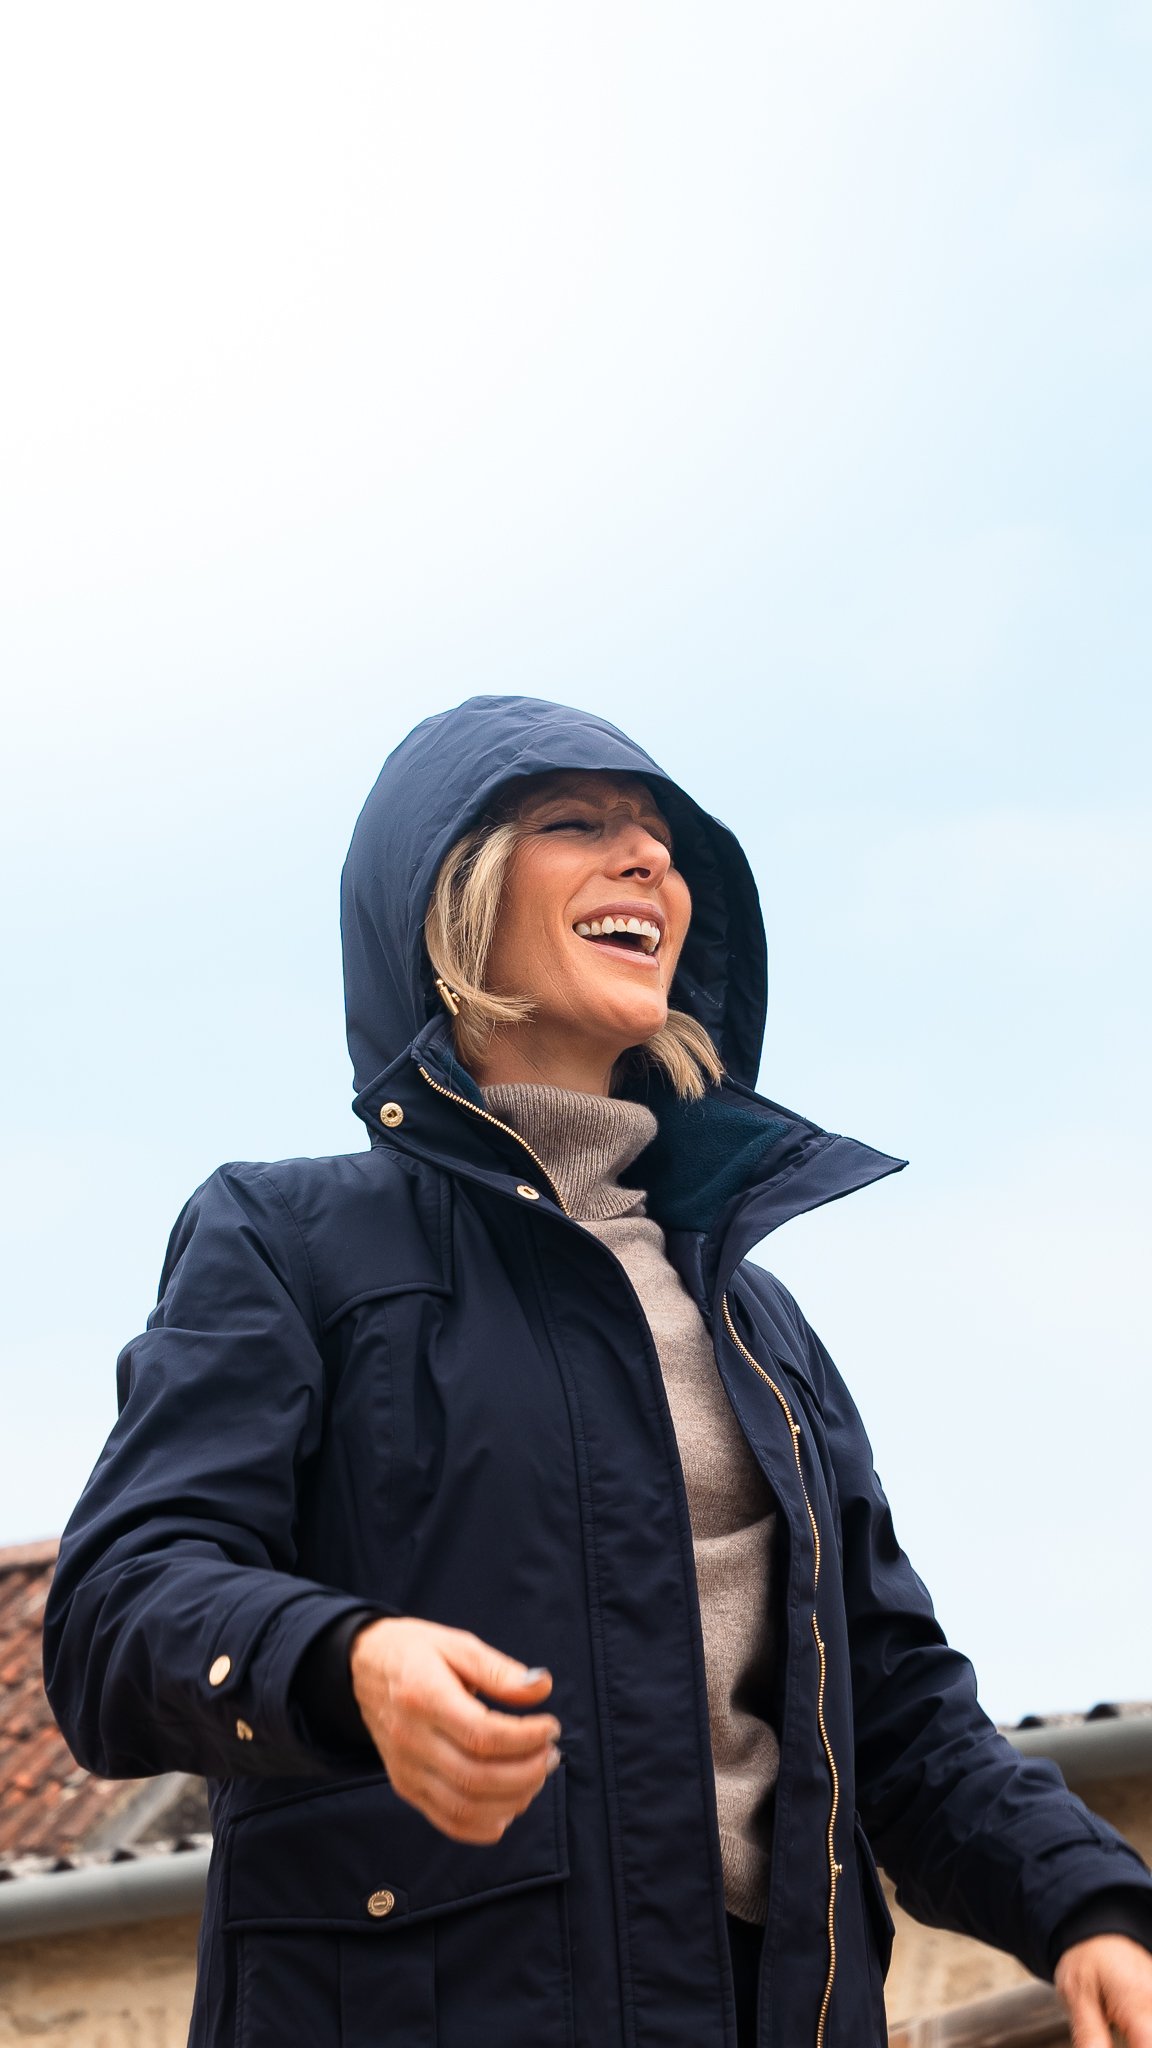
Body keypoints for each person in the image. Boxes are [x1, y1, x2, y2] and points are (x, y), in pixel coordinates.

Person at [44, 694, 1152, 2048]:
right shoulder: (288, 1239)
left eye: (663, 841)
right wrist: (349, 1662)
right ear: (448, 901)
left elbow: (897, 1711)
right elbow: (118, 1611)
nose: (648, 860)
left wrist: (1087, 1902)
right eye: (578, 824)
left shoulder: (758, 1327)